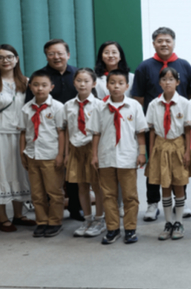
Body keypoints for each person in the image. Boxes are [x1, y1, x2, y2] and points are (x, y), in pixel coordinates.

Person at [131, 27, 191, 222]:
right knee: (155, 166)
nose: (164, 44)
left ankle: (181, 201)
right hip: (155, 126)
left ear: (173, 42)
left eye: (168, 40)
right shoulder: (144, 67)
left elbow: (188, 94)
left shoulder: (184, 65)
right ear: (153, 44)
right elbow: (138, 97)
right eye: (160, 41)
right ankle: (152, 203)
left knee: (179, 166)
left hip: (177, 126)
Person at [26, 39, 83, 221]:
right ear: (46, 56)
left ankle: (75, 208)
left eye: (60, 53)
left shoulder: (77, 74)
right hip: (48, 133)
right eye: (51, 54)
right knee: (50, 177)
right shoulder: (40, 78)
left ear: (68, 54)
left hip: (76, 131)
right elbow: (30, 104)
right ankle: (50, 214)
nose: (56, 57)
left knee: (73, 172)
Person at [91, 70, 148, 245]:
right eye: (112, 83)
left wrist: (142, 153)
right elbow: (96, 133)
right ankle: (112, 229)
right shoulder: (99, 106)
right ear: (107, 85)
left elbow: (140, 132)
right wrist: (94, 155)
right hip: (106, 157)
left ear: (127, 86)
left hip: (127, 157)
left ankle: (130, 229)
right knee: (108, 195)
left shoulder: (134, 106)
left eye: (120, 83)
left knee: (130, 195)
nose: (116, 86)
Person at [0, 45, 35, 232]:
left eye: (9, 56)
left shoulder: (27, 82)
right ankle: (2, 219)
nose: (5, 60)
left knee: (19, 174)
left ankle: (19, 215)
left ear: (16, 59)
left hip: (21, 135)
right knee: (0, 174)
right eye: (0, 57)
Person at [146, 67, 191, 241]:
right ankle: (168, 223)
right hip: (160, 146)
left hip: (178, 145)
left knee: (179, 184)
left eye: (171, 79)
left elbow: (188, 130)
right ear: (160, 83)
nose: (168, 82)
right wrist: (151, 153)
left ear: (178, 82)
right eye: (164, 79)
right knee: (165, 186)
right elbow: (152, 130)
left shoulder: (185, 103)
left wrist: (188, 151)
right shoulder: (154, 104)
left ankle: (178, 222)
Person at [18, 69, 66, 238]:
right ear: (30, 87)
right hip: (32, 155)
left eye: (44, 85)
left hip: (51, 155)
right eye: (36, 85)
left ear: (51, 87)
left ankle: (55, 221)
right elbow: (23, 132)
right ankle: (42, 221)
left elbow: (61, 133)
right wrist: (22, 153)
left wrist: (60, 155)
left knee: (54, 191)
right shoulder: (26, 108)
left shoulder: (58, 107)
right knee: (37, 193)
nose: (40, 89)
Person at [64, 68, 106, 238]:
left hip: (93, 148)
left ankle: (100, 219)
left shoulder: (100, 105)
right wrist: (66, 153)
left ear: (94, 84)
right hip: (76, 148)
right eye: (79, 80)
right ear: (74, 83)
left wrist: (98, 153)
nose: (82, 84)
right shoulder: (68, 105)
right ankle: (87, 219)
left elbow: (103, 131)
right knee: (81, 186)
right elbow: (67, 130)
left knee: (97, 186)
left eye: (86, 81)